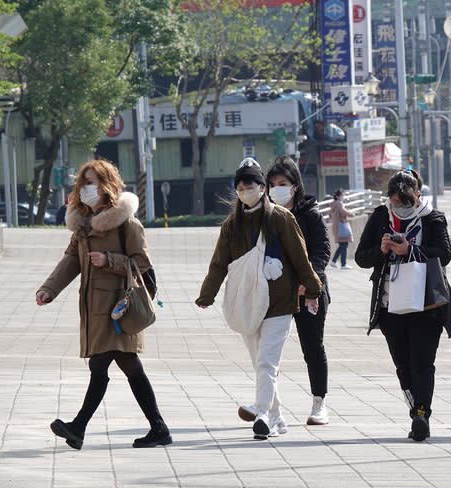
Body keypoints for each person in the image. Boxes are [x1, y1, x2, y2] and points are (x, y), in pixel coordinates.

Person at [36, 159, 171, 450]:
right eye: (84, 181)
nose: (88, 187)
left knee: (101, 366)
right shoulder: (83, 227)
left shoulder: (126, 223)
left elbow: (142, 262)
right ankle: (158, 428)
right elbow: (71, 261)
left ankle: (79, 427)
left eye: (94, 181)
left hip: (119, 308)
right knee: (127, 366)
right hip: (96, 308)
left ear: (107, 184)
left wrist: (110, 261)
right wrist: (49, 290)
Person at [196, 158, 322, 440]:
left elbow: (300, 257)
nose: (244, 191)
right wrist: (207, 294)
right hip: (248, 303)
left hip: (279, 303)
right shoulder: (231, 225)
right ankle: (276, 418)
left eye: (249, 186)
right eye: (239, 187)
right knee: (260, 364)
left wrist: (313, 288)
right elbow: (218, 263)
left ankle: (263, 414)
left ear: (262, 187)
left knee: (266, 362)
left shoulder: (281, 218)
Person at [355, 169, 451, 442]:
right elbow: (360, 257)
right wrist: (381, 250)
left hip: (427, 304)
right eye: (394, 202)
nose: (399, 208)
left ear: (417, 196)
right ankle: (416, 411)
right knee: (402, 364)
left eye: (405, 202)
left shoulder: (432, 217)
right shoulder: (380, 217)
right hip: (390, 303)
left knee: (422, 363)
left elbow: (445, 255)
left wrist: (411, 250)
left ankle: (422, 414)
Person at [255, 155, 333, 425]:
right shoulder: (265, 215)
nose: (278, 188)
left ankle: (319, 403)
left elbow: (323, 251)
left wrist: (309, 282)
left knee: (312, 348)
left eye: (283, 183)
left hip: (308, 293)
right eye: (273, 183)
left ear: (295, 185)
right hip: (276, 296)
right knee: (267, 352)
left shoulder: (310, 213)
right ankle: (268, 407)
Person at [330, 188, 355, 269]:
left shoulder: (333, 204)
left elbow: (330, 215)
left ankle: (334, 261)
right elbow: (344, 212)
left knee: (342, 245)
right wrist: (352, 214)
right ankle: (343, 264)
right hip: (341, 227)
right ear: (337, 196)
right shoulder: (339, 204)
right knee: (344, 245)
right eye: (342, 195)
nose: (343, 197)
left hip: (336, 227)